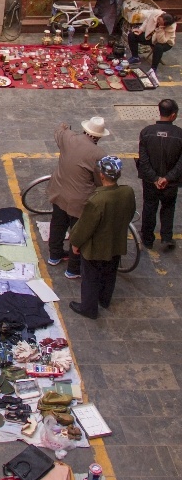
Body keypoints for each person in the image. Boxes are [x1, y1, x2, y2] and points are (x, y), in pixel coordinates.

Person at [68, 156, 136, 320]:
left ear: (102, 176)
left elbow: (85, 226)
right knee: (109, 273)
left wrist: (75, 243)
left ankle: (88, 308)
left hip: (96, 248)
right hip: (116, 242)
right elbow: (130, 213)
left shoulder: (97, 200)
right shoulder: (127, 192)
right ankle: (104, 300)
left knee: (90, 278)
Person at [47, 116, 109, 279]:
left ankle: (54, 255)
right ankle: (73, 269)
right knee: (77, 233)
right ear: (98, 137)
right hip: (79, 201)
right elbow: (99, 180)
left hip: (59, 191)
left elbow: (59, 131)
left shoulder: (69, 138)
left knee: (57, 224)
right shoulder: (99, 154)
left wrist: (64, 125)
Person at [137, 97, 182, 252]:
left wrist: (155, 178)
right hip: (171, 182)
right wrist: (167, 178)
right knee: (169, 207)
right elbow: (180, 163)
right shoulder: (179, 134)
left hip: (150, 181)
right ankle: (167, 237)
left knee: (149, 207)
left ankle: (147, 239)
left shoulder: (146, 133)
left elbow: (143, 160)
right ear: (173, 115)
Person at [128, 11, 176, 87]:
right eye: (159, 20)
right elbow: (147, 21)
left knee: (158, 46)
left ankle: (153, 68)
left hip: (165, 42)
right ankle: (135, 57)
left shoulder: (171, 26)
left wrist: (161, 28)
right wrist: (141, 29)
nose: (158, 22)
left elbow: (162, 41)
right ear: (161, 16)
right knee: (132, 35)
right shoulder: (156, 13)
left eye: (161, 23)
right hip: (151, 36)